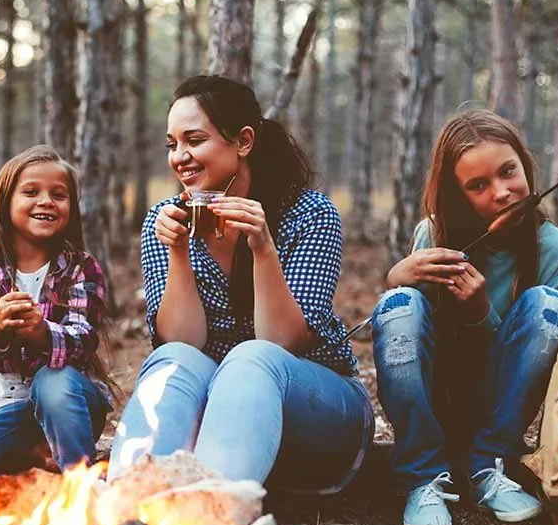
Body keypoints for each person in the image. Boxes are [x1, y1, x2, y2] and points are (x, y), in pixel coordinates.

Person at [107, 75, 373, 491]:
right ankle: (128, 507)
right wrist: (178, 252)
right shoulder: (164, 221)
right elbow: (182, 341)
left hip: (319, 419)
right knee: (172, 359)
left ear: (243, 141)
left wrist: (263, 248)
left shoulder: (309, 214)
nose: (180, 157)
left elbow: (282, 342)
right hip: (217, 423)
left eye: (194, 140)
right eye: (172, 144)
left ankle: (215, 512)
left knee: (251, 360)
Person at [372, 109, 558, 525]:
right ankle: (422, 475)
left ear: (525, 164)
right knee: (400, 302)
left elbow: (532, 357)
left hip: (499, 408)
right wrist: (396, 280)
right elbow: (411, 339)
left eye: (508, 172)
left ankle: (492, 465)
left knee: (547, 304)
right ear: (457, 194)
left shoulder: (557, 250)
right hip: (437, 399)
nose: (502, 193)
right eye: (478, 186)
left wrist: (481, 313)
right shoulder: (433, 237)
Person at [0, 145, 112, 485]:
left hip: (70, 407)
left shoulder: (80, 268)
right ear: (5, 202)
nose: (46, 201)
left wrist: (42, 334)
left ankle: (79, 489)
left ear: (71, 207)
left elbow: (84, 341)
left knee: (54, 382)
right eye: (31, 192)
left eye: (58, 194)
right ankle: (22, 455)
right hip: (5, 416)